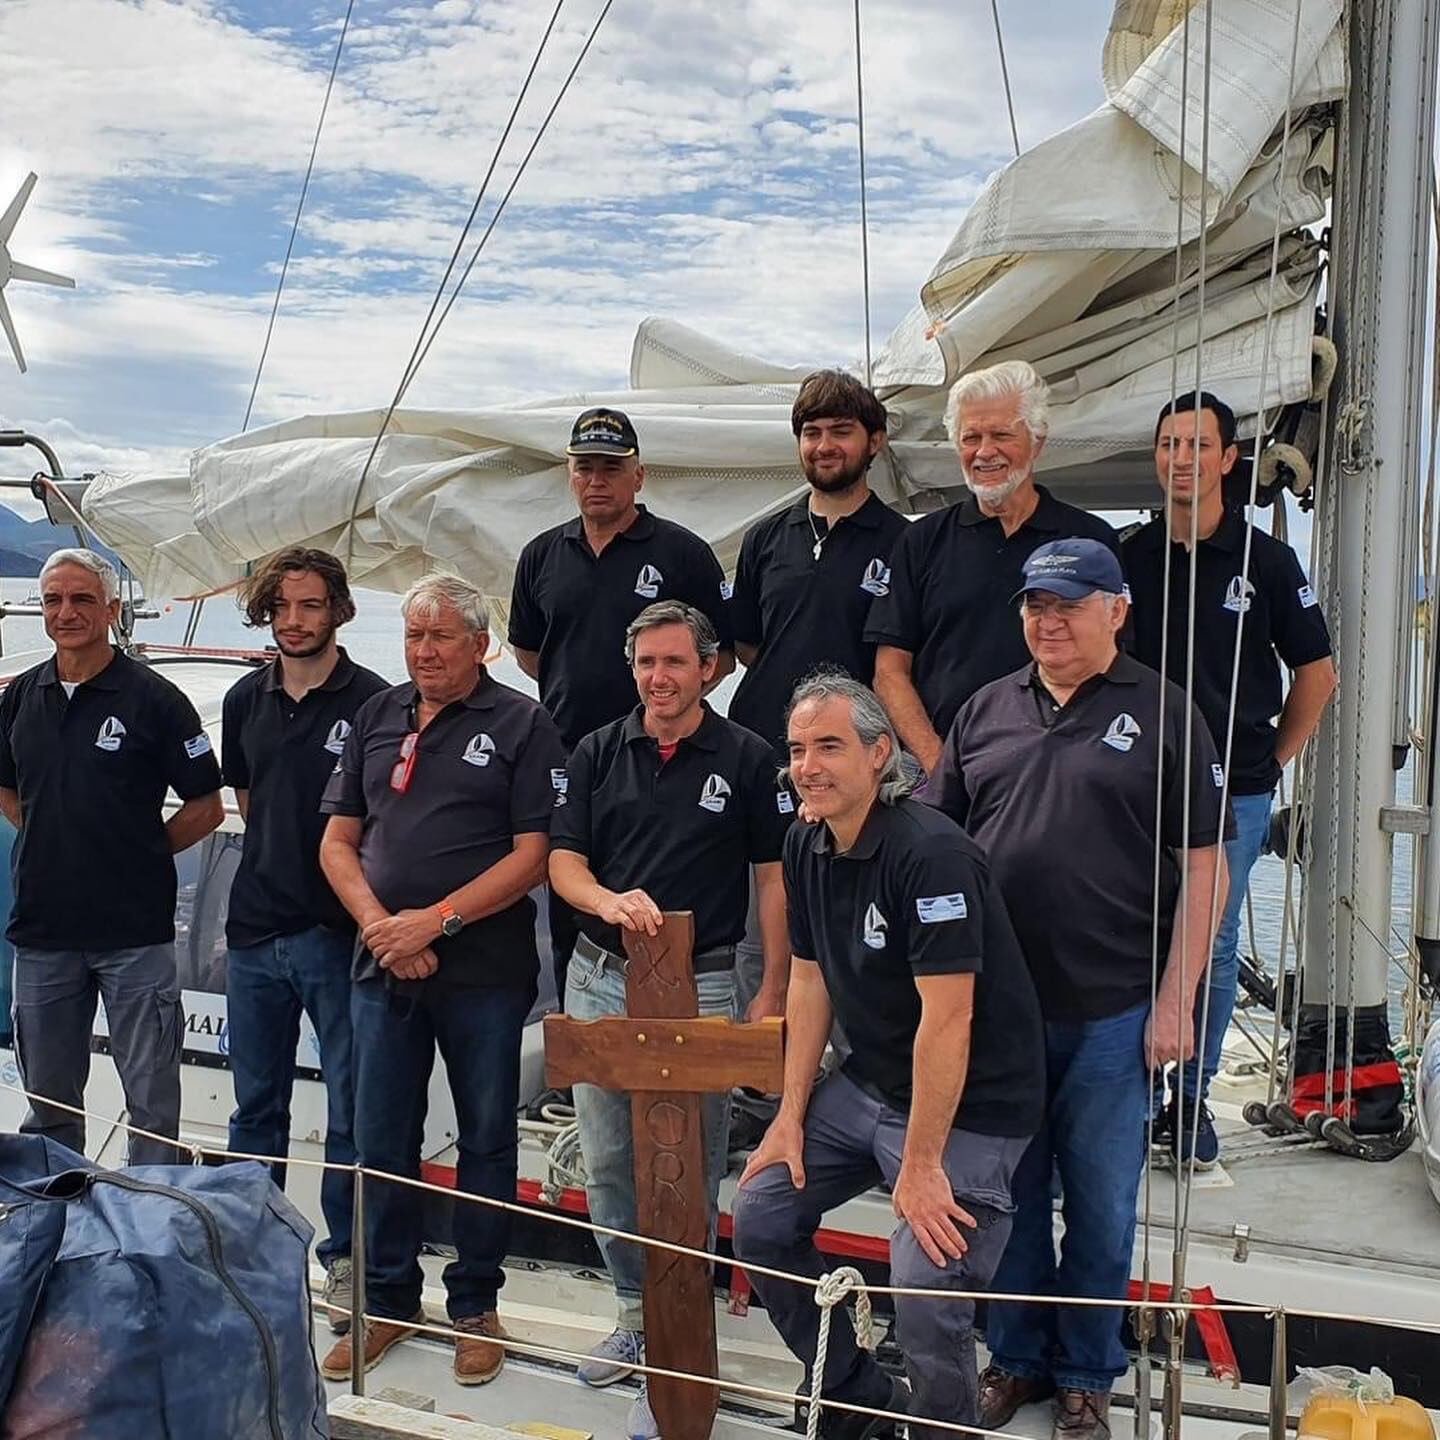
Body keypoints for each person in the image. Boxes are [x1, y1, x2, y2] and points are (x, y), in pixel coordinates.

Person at [926, 538, 1229, 1440]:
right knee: (1006, 1201)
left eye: (1068, 604)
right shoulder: (985, 710)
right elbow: (936, 840)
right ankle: (1016, 1359)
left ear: (1116, 609)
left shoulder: (1168, 713)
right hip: (1001, 1012)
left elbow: (1205, 870)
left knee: (1100, 1206)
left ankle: (1089, 1375)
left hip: (1114, 1013)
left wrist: (1179, 1003)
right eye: (1034, 606)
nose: (1047, 622)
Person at [731, 673, 1044, 1440]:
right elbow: (809, 981)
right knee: (761, 1215)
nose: (809, 765)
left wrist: (923, 1162)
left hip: (972, 1105)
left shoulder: (930, 855)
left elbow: (949, 1020)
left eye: (830, 746)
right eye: (799, 750)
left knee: (926, 1279)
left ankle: (942, 1430)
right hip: (871, 1085)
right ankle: (855, 1396)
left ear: (880, 755)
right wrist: (789, 1118)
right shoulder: (805, 841)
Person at [548, 600, 790, 1440]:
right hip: (601, 979)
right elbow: (563, 862)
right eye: (647, 662)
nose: (659, 677)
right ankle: (633, 1311)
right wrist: (608, 903)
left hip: (708, 985)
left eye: (675, 662)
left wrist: (773, 994)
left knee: (688, 1176)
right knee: (611, 1165)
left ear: (709, 669)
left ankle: (687, 1340)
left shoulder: (751, 759)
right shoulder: (596, 752)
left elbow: (773, 882)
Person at [317, 574, 564, 1387]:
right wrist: (384, 930)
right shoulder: (375, 715)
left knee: (488, 1139)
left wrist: (436, 922)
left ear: (481, 644)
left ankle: (474, 1306)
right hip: (382, 965)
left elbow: (532, 855)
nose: (423, 651)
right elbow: (338, 844)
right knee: (379, 1137)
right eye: (415, 636)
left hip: (483, 973)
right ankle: (386, 1300)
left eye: (441, 637)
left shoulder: (524, 722)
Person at [1123, 392, 1336, 1166]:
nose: (1181, 458)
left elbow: (1316, 672)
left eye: (1197, 445)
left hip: (1236, 785)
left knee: (1208, 947)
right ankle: (1138, 1095)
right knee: (1138, 935)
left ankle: (1190, 1099)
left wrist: (1272, 762)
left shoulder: (1268, 563)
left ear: (1227, 458)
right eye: (1168, 444)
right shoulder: (1127, 559)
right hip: (1136, 784)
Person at [0, 547, 224, 1165]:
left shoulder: (156, 699)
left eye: (81, 599)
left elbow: (205, 805)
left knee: (152, 1104)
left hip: (135, 936)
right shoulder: (20, 697)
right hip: (44, 934)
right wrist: (53, 836)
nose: (66, 612)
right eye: (53, 600)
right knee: (49, 1103)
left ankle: (150, 1224)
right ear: (41, 610)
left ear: (112, 609)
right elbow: (7, 788)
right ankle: (50, 1222)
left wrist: (142, 856)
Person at [509, 407, 735, 1006]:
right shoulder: (540, 557)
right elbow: (530, 653)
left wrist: (661, 709)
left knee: (668, 890)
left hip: (666, 757)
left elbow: (722, 655)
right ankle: (579, 1042)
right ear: (570, 475)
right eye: (585, 468)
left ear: (639, 475)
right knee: (571, 901)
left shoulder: (683, 553)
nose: (597, 480)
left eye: (612, 467)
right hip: (570, 754)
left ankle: (680, 1045)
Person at [221, 547, 388, 1327]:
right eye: (282, 607)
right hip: (254, 933)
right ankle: (248, 1253)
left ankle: (345, 1263)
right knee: (256, 1109)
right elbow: (251, 803)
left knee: (350, 1111)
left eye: (311, 606)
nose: (294, 621)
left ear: (340, 611)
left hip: (335, 935)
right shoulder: (239, 700)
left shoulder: (377, 705)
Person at [729, 370, 909, 1026]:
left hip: (857, 768)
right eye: (811, 432)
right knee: (763, 929)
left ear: (875, 443)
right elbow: (748, 644)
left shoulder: (904, 543)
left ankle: (852, 1082)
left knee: (855, 925)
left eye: (840, 431)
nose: (824, 445)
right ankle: (767, 1081)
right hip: (763, 756)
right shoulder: (766, 539)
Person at [865, 360, 1120, 773]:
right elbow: (890, 672)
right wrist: (941, 768)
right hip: (944, 775)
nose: (985, 451)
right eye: (971, 437)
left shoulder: (1091, 542)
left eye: (1001, 434)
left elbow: (1114, 664)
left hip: (1060, 776)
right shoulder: (921, 541)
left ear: (1037, 441)